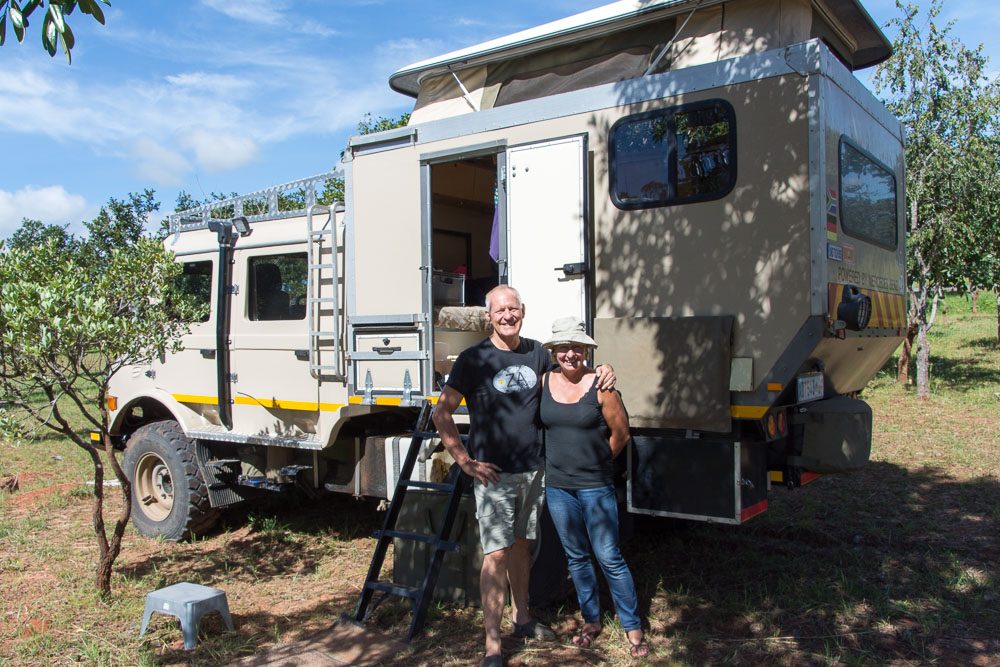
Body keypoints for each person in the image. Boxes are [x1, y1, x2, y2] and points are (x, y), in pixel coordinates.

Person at [432, 286, 615, 667]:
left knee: (521, 546)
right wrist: (465, 461)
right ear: (488, 316)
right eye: (499, 311)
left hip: (533, 470)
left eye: (512, 309)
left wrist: (603, 369)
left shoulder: (536, 352)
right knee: (495, 555)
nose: (507, 316)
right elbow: (442, 413)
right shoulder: (473, 359)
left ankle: (523, 617)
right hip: (493, 475)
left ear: (523, 311)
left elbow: (571, 375)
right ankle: (493, 646)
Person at [539, 317, 648, 659]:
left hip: (595, 487)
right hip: (558, 488)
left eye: (576, 347)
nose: (570, 354)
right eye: (563, 348)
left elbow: (621, 435)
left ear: (586, 349)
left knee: (609, 557)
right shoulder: (544, 381)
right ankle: (591, 621)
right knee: (576, 557)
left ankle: (633, 628)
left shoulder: (602, 386)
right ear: (554, 351)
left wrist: (599, 465)